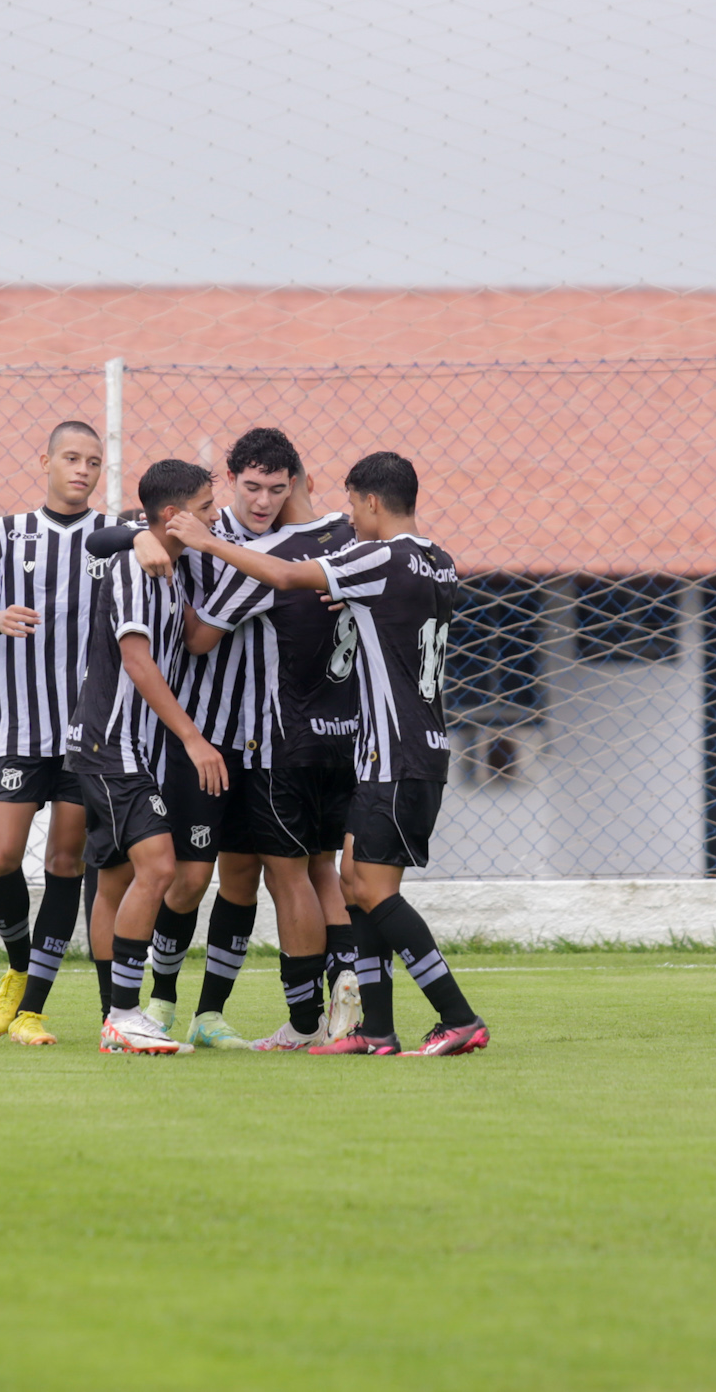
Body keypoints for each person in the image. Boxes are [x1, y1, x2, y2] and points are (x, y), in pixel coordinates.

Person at [168, 451, 490, 1056]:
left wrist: (205, 544)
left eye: (353, 504)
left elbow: (288, 577)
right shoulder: (439, 561)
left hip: (392, 753)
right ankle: (378, 1030)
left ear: (371, 503)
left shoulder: (378, 556)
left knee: (373, 890)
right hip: (413, 745)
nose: (348, 516)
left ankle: (458, 1014)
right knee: (351, 882)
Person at [180, 430, 366, 1050]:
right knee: (264, 873)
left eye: (275, 488)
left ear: (298, 484)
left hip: (273, 741)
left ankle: (309, 1021)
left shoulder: (277, 555)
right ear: (228, 479)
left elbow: (199, 638)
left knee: (286, 875)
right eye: (252, 487)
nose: (262, 500)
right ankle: (219, 1011)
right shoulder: (348, 535)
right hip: (327, 732)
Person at [0, 420, 114, 1047]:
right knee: (0, 857)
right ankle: (18, 965)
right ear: (44, 461)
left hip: (86, 735)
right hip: (20, 728)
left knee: (64, 861)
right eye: (71, 458)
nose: (82, 470)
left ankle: (33, 1008)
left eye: (93, 462)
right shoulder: (7, 533)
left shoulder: (111, 538)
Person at [66, 458, 229, 1055]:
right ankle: (125, 1014)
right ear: (172, 515)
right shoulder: (139, 565)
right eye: (207, 508)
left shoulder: (173, 568)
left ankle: (116, 1018)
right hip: (113, 746)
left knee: (114, 882)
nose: (215, 517)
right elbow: (138, 662)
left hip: (128, 748)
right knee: (158, 869)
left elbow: (190, 637)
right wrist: (193, 737)